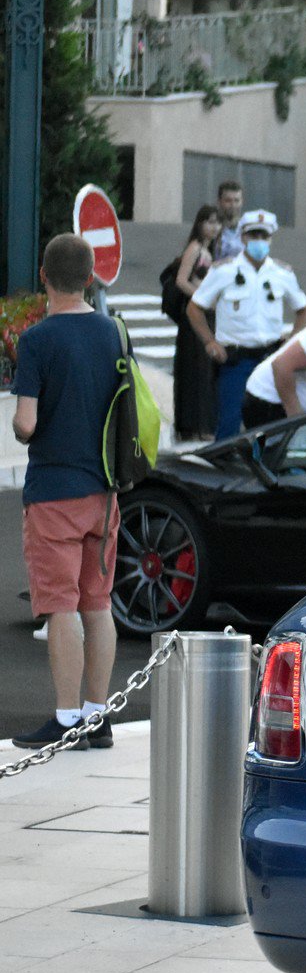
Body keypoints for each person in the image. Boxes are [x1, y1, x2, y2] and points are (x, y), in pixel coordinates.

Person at [10, 235, 124, 750]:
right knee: (97, 605)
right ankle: (98, 716)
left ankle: (65, 717)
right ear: (92, 275)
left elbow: (26, 425)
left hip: (54, 490)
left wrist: (19, 420)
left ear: (43, 276)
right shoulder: (114, 334)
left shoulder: (36, 341)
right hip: (105, 490)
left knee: (61, 606)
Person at [187, 209, 306, 438]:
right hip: (235, 360)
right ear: (243, 238)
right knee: (229, 424)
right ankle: (224, 470)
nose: (259, 241)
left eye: (264, 236)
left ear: (271, 239)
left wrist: (291, 342)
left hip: (270, 359)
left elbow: (304, 310)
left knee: (271, 423)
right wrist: (209, 342)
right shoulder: (224, 271)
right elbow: (195, 307)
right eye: (254, 235)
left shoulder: (281, 273)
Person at [163, 204, 221, 442]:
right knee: (195, 370)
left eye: (216, 222)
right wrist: (201, 297)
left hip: (207, 315)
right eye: (209, 222)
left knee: (206, 371)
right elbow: (180, 281)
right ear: (199, 224)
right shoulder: (195, 249)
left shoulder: (210, 251)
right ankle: (193, 426)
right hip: (194, 316)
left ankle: (203, 425)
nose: (214, 227)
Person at [213, 180, 246, 262]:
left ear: (242, 202)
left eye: (236, 200)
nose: (233, 205)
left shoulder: (248, 228)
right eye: (228, 200)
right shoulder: (211, 228)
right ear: (219, 202)